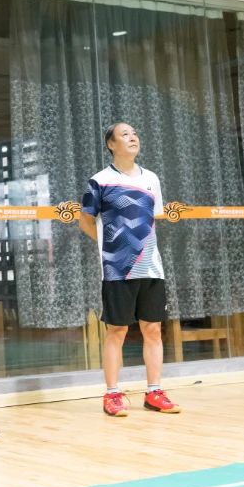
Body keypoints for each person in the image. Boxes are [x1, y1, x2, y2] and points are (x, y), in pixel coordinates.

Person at [79, 122, 180, 417]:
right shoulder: (99, 181)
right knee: (117, 330)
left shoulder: (151, 179)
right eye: (125, 134)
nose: (133, 137)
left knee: (153, 329)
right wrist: (111, 247)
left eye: (134, 133)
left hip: (151, 267)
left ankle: (154, 392)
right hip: (116, 270)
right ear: (111, 144)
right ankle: (112, 393)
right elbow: (85, 220)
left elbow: (153, 219)